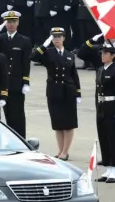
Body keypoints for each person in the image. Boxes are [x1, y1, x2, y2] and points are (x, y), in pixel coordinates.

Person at [30, 27, 81, 161]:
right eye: (54, 37)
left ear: (64, 38)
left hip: (68, 91)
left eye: (59, 37)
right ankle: (60, 150)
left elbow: (74, 74)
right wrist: (44, 45)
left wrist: (78, 92)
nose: (57, 39)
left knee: (68, 123)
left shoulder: (69, 54)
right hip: (54, 90)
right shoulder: (48, 53)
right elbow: (33, 57)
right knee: (58, 123)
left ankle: (65, 151)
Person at [0, 11, 32, 138]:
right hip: (2, 83)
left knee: (18, 115)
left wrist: (26, 82)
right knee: (7, 114)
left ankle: (21, 139)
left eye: (13, 22)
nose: (11, 25)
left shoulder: (24, 41)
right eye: (8, 22)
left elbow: (26, 63)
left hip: (16, 83)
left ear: (18, 23)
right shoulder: (0, 39)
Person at [95, 42, 115, 183]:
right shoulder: (101, 69)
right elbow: (98, 91)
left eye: (105, 53)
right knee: (104, 138)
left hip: (112, 107)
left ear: (112, 55)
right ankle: (108, 167)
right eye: (102, 53)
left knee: (113, 139)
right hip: (101, 107)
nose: (102, 56)